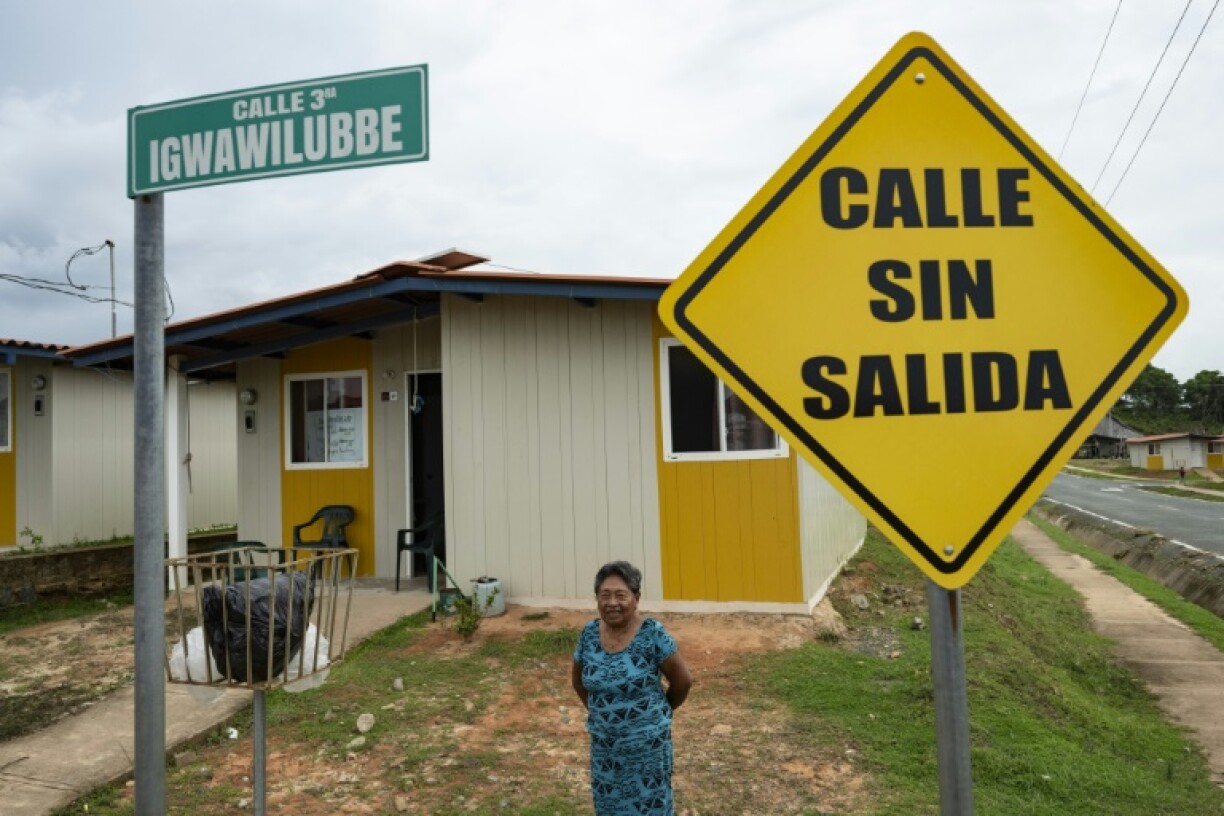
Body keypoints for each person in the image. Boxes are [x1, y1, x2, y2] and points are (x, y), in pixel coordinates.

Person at [571, 561, 693, 815]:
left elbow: (683, 681)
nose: (612, 603)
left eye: (620, 595)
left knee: (649, 808)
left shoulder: (652, 634)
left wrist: (657, 714)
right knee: (609, 806)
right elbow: (579, 682)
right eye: (605, 595)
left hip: (647, 749)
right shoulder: (590, 634)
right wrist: (603, 715)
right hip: (605, 748)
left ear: (636, 598)